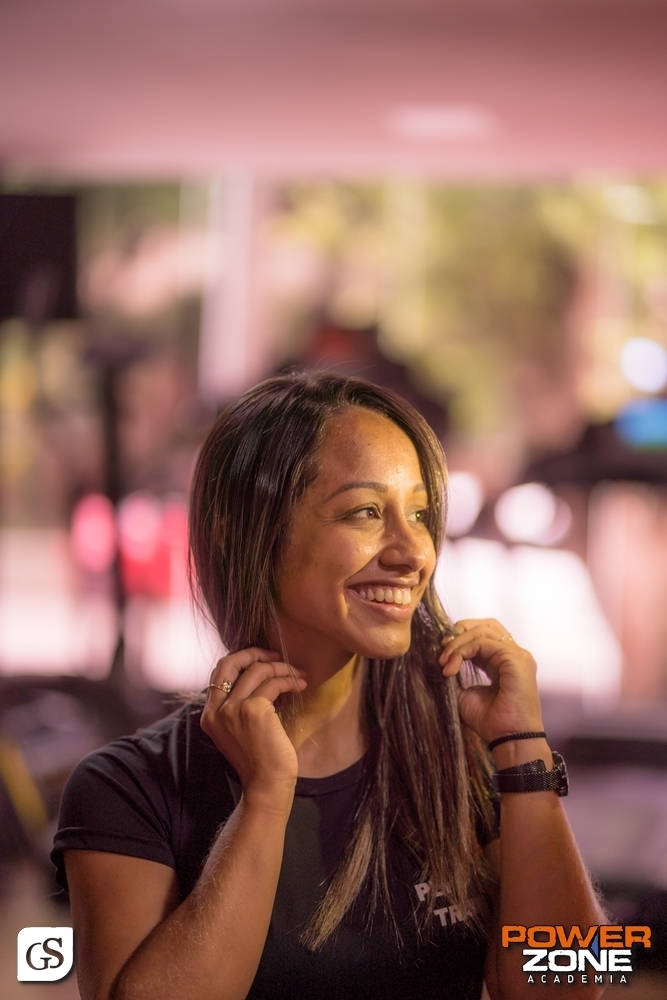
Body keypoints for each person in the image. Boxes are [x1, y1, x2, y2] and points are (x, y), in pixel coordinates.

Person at [53, 372, 604, 1000]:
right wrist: (266, 799)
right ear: (244, 532)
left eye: (419, 514)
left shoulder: (461, 757)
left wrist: (524, 748)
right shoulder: (128, 787)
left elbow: (575, 986)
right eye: (365, 512)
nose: (413, 552)